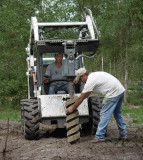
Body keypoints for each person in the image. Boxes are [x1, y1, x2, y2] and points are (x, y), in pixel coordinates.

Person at [65, 68, 127, 143]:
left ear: (84, 75)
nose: (81, 81)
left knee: (104, 115)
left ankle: (99, 136)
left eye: (81, 79)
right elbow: (86, 95)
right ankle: (123, 135)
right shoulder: (94, 75)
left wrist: (72, 107)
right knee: (117, 114)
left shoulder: (90, 81)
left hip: (113, 93)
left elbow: (82, 97)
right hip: (120, 90)